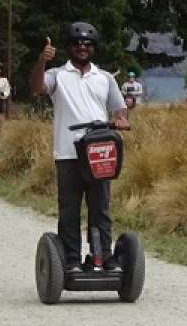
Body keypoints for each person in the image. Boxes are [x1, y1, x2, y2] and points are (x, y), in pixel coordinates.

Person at [30, 22, 129, 270]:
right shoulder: (57, 75)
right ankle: (71, 260)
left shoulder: (104, 78)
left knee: (100, 208)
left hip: (99, 152)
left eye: (87, 44)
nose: (82, 48)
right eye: (77, 44)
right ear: (69, 47)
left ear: (93, 48)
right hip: (68, 152)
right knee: (69, 210)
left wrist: (121, 119)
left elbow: (120, 109)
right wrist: (42, 61)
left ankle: (102, 256)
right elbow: (37, 88)